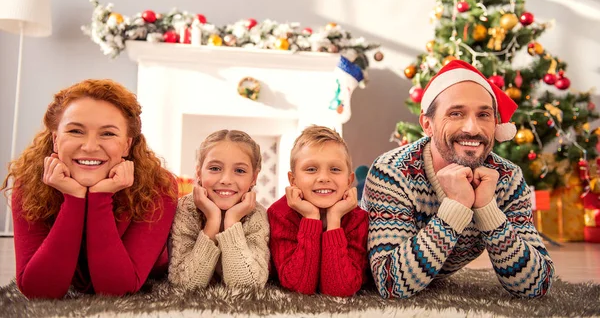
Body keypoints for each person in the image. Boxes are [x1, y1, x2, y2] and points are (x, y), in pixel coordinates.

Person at [363, 60, 555, 299]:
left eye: (484, 114)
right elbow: (390, 283)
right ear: (427, 124)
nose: (472, 128)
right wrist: (455, 208)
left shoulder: (508, 179)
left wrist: (487, 208)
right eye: (456, 113)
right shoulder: (392, 173)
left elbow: (538, 285)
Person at [1, 79, 178, 299]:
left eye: (108, 134)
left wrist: (100, 197)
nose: (90, 146)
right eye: (76, 131)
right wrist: (74, 199)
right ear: (56, 140)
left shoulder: (157, 186)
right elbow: (39, 290)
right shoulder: (30, 181)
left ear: (127, 145)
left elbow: (116, 289)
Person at [268, 125, 369, 297]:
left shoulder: (357, 218)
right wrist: (311, 217)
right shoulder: (280, 214)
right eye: (311, 169)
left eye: (335, 169)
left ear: (349, 180)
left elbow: (340, 289)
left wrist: (335, 219)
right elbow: (299, 286)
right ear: (293, 180)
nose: (323, 178)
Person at [168, 130, 270, 290]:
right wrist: (212, 222)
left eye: (240, 171)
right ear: (198, 172)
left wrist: (232, 221)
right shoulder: (185, 209)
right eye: (215, 168)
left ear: (254, 178)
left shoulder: (256, 215)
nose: (226, 180)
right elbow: (184, 284)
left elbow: (247, 287)